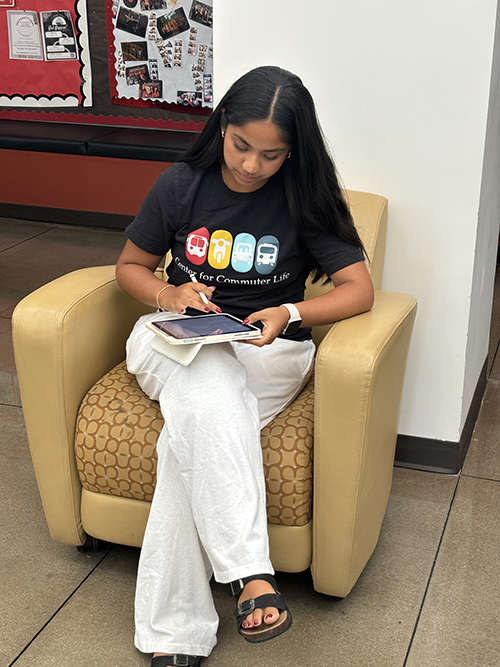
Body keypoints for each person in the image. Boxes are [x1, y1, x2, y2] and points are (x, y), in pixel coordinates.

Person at [115, 65, 374, 667]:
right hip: (171, 338)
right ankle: (250, 574)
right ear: (222, 125)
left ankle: (174, 635)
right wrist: (168, 294)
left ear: (295, 150)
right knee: (208, 371)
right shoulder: (180, 185)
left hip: (266, 351)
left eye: (272, 154)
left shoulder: (308, 198)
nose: (252, 165)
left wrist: (289, 309)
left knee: (189, 437)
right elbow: (129, 266)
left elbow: (358, 289)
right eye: (241, 146)